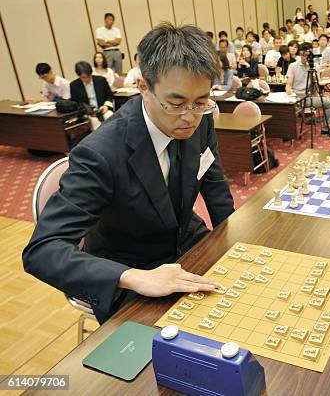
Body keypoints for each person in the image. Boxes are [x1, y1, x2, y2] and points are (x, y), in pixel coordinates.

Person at [23, 23, 234, 324]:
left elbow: (215, 189)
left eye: (201, 101)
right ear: (144, 87)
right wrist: (133, 277)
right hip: (134, 270)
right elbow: (43, 250)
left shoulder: (201, 120)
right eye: (175, 103)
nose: (190, 117)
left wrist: (236, 248)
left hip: (188, 243)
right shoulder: (101, 153)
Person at [285, 42, 330, 135]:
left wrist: (314, 75)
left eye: (308, 55)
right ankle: (289, 133)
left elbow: (315, 86)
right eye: (303, 55)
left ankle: (327, 128)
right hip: (296, 97)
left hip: (308, 98)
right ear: (300, 54)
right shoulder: (293, 66)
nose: (305, 58)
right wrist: (289, 93)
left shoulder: (314, 67)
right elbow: (288, 84)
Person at [69, 61, 114, 130]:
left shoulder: (101, 80)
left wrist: (106, 106)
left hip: (102, 108)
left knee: (111, 118)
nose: (87, 79)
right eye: (84, 77)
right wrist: (86, 113)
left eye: (89, 76)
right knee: (95, 123)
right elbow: (76, 103)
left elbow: (109, 95)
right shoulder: (74, 85)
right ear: (79, 76)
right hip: (88, 113)